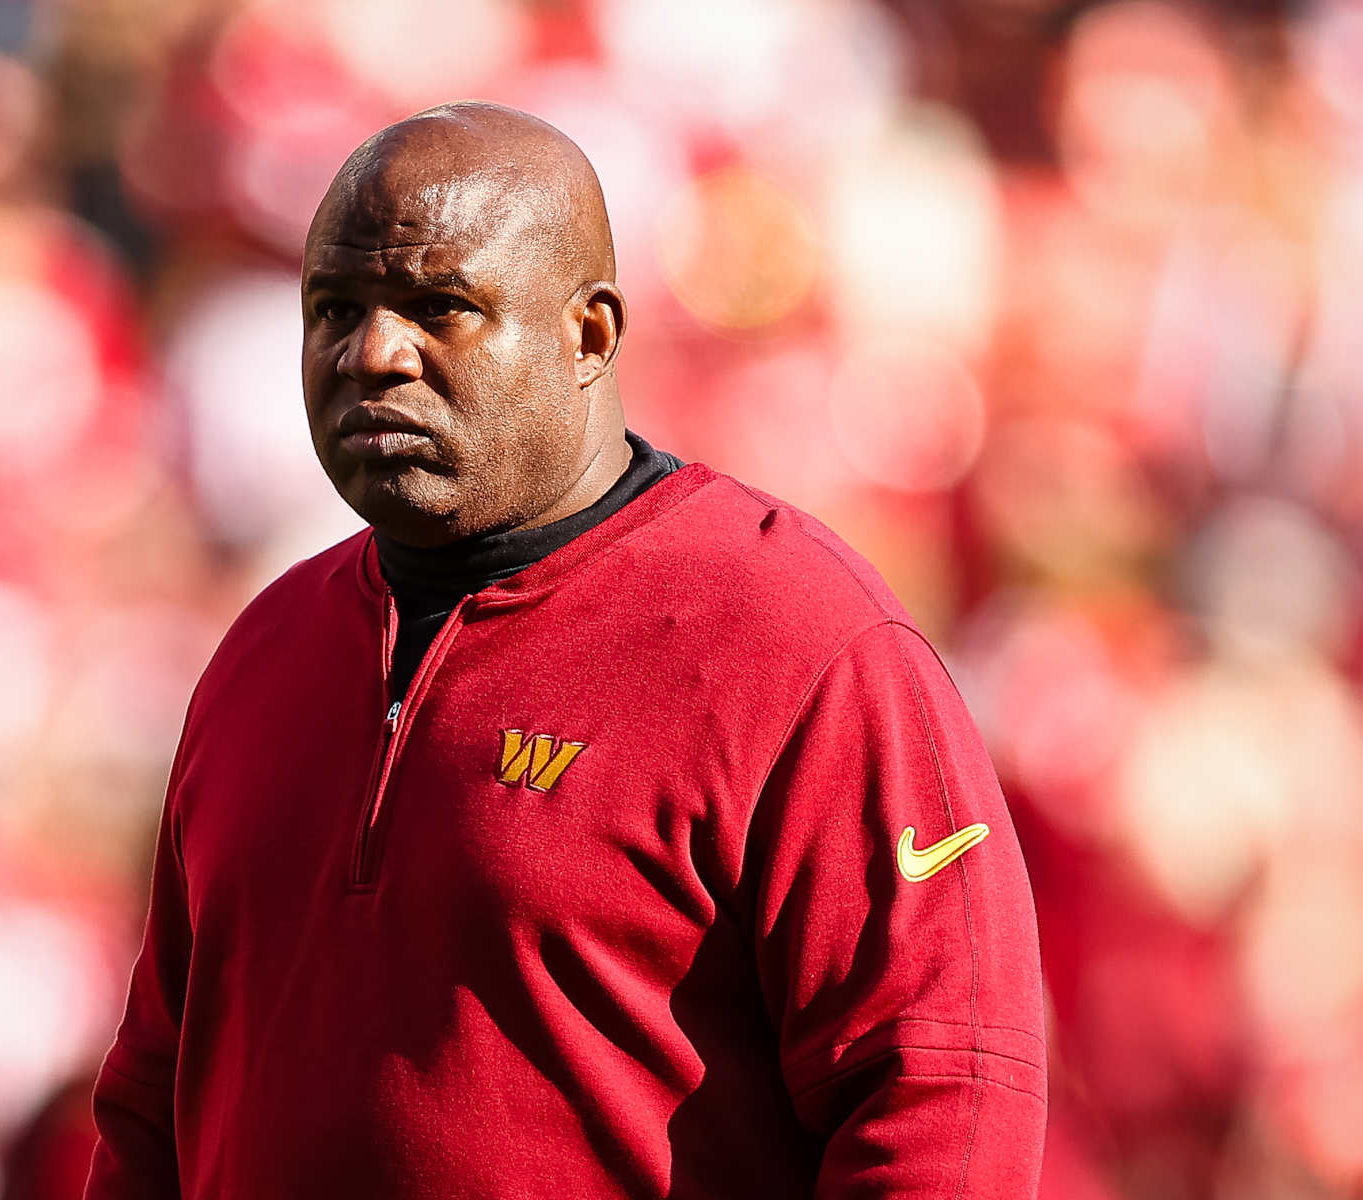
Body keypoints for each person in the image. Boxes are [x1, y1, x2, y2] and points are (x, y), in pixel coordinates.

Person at [86, 102, 1046, 1198]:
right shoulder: (264, 654)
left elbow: (941, 1093)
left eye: (439, 307)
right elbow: (153, 1096)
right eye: (335, 307)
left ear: (588, 332)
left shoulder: (792, 637)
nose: (372, 354)